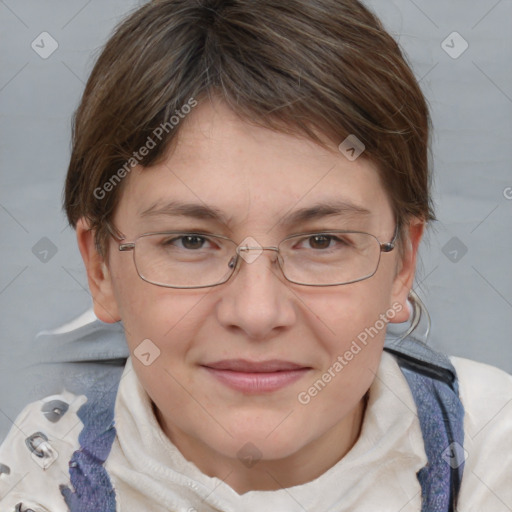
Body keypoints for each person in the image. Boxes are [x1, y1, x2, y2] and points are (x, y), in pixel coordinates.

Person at [0, 0, 511, 511]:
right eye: (191, 241)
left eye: (321, 241)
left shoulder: (492, 446)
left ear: (402, 266)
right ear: (101, 268)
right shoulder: (35, 472)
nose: (257, 313)